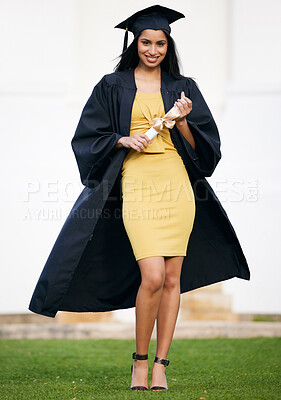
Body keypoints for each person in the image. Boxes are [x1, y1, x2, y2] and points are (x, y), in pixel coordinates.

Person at [28, 4, 250, 393]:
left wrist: (181, 120)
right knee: (151, 276)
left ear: (168, 44)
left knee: (171, 278)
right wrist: (120, 139)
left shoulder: (184, 87)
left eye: (160, 43)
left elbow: (207, 149)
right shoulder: (112, 85)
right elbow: (87, 135)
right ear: (136, 42)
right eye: (146, 42)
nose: (153, 49)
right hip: (137, 181)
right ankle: (140, 361)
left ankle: (161, 366)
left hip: (176, 185)